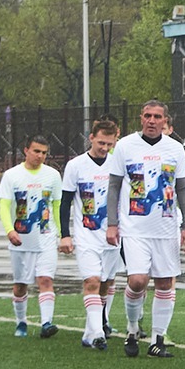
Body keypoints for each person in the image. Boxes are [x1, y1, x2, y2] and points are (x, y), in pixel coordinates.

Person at [107, 100, 185, 358]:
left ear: (165, 121)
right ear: (141, 118)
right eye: (148, 116)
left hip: (166, 227)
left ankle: (158, 339)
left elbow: (183, 188)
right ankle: (132, 329)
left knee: (165, 282)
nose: (152, 121)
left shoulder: (175, 149)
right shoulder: (125, 147)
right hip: (134, 228)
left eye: (157, 117)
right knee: (137, 280)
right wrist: (112, 223)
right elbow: (113, 186)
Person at [59, 118, 122, 349]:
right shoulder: (75, 165)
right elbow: (65, 202)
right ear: (91, 138)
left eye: (109, 144)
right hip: (86, 235)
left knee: (105, 282)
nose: (104, 148)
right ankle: (97, 334)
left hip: (112, 236)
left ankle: (90, 331)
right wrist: (65, 234)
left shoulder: (117, 164)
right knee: (92, 281)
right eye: (101, 143)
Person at [0, 135, 63, 339]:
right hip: (22, 238)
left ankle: (46, 323)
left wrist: (61, 234)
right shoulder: (12, 176)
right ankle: (21, 322)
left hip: (46, 237)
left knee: (45, 279)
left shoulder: (52, 175)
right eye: (36, 151)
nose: (40, 156)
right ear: (26, 150)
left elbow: (56, 206)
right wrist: (10, 230)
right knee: (20, 285)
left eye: (44, 152)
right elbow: (4, 206)